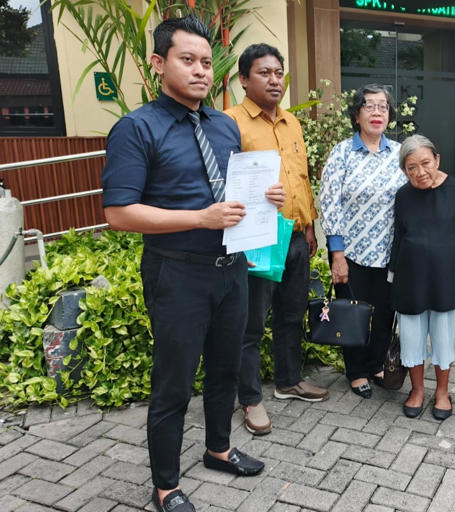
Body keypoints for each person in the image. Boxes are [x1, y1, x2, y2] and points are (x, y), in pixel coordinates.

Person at [101, 16, 268, 512]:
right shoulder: (137, 128)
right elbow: (119, 213)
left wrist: (264, 197)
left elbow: (231, 193)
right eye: (187, 60)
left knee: (225, 368)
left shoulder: (224, 126)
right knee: (174, 382)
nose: (200, 71)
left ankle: (218, 448)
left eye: (206, 62)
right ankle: (166, 486)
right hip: (176, 272)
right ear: (159, 63)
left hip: (231, 268)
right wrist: (200, 218)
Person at [225, 43, 328, 437]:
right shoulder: (230, 123)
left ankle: (289, 381)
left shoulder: (292, 123)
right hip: (258, 239)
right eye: (264, 73)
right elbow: (224, 183)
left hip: (296, 237)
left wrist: (309, 227)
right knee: (251, 325)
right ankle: (250, 399)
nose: (274, 80)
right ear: (243, 79)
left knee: (291, 314)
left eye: (279, 73)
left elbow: (301, 178)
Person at [390, 134, 455, 420]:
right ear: (404, 171)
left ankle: (442, 392)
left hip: (447, 275)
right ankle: (417, 390)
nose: (420, 172)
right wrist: (392, 277)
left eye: (426, 163)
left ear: (437, 160)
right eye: (412, 168)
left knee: (443, 337)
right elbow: (398, 237)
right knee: (411, 337)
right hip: (410, 276)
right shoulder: (402, 195)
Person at [319, 84, 407, 398]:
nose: (377, 112)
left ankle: (376, 364)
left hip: (390, 252)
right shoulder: (342, 153)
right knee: (353, 313)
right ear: (357, 115)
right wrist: (337, 253)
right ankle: (356, 371)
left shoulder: (399, 153)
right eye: (369, 106)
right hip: (351, 251)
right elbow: (329, 203)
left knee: (384, 312)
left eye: (383, 106)